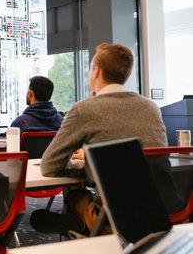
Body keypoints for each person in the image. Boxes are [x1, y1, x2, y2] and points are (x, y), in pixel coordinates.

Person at [37, 43, 168, 235]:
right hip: (161, 212)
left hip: (116, 217)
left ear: (96, 71)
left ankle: (86, 228)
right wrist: (95, 162)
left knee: (71, 197)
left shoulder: (84, 109)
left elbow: (49, 166)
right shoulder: (151, 107)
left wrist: (91, 166)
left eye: (90, 69)